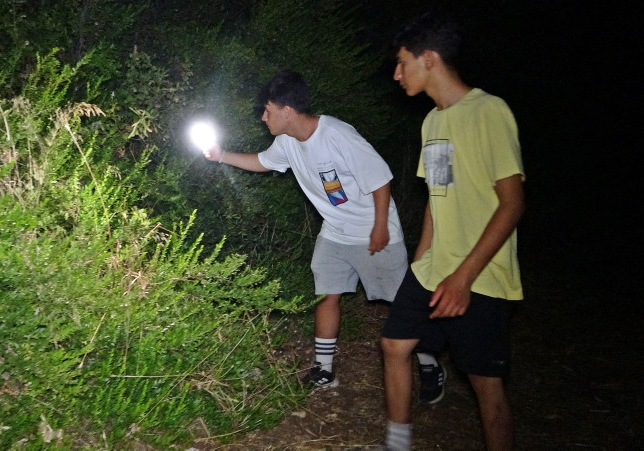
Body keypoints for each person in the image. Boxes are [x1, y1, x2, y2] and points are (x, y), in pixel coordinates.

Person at [202, 71, 432, 388]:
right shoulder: (286, 142)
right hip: (335, 232)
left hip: (374, 234)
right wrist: (222, 156)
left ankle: (429, 361)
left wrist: (380, 227)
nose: (263, 117)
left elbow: (380, 179)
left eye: (267, 110)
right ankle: (324, 369)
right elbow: (263, 162)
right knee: (325, 294)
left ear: (287, 111)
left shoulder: (337, 135)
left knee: (404, 304)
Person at [381, 12, 525, 451]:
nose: (397, 74)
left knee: (485, 385)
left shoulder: (489, 112)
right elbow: (436, 196)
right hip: (433, 267)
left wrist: (463, 277)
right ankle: (398, 443)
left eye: (402, 62)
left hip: (481, 275)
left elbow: (512, 203)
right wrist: (420, 261)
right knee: (393, 346)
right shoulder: (432, 122)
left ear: (429, 58)